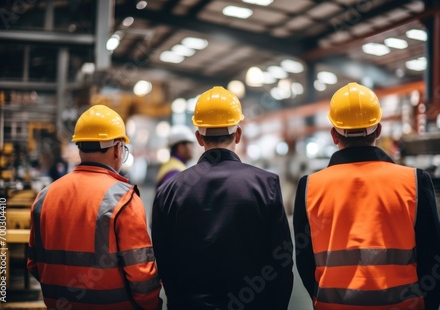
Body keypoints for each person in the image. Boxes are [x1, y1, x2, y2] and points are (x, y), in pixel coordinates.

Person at [293, 82, 440, 310]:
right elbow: (436, 260)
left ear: (334, 135)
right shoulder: (415, 182)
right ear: (378, 130)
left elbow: (305, 261)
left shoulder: (310, 187)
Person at [152, 86, 294, 310]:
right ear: (238, 134)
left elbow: (164, 264)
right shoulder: (266, 185)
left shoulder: (170, 191)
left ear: (199, 137)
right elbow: (281, 262)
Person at [27, 105, 162, 310]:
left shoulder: (44, 197)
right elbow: (141, 276)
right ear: (117, 148)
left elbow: (33, 264)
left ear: (80, 147)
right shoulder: (124, 199)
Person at [155, 124, 196, 189]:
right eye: (190, 144)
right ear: (181, 147)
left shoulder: (172, 165)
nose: (193, 148)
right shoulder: (175, 172)